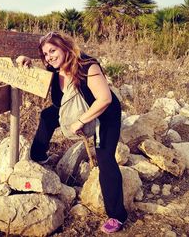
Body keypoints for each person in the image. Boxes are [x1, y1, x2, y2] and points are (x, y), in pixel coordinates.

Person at [16, 31, 127, 234]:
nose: (49, 57)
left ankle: (117, 215)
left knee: (105, 159)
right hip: (75, 107)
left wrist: (80, 121)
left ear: (65, 47)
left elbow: (104, 99)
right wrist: (27, 60)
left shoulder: (87, 66)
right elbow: (42, 68)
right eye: (45, 54)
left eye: (53, 50)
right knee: (48, 116)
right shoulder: (53, 66)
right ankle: (38, 156)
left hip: (103, 114)